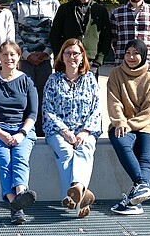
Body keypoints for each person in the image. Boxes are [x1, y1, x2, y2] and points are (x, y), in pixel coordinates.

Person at [0, 41, 38, 225]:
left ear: (18, 57)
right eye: (4, 55)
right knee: (5, 161)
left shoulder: (26, 81)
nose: (8, 58)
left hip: (22, 128)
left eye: (12, 54)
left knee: (20, 158)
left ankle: (20, 195)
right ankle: (17, 205)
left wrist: (21, 133)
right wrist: (1, 134)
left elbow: (33, 113)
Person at [42, 38, 102, 218]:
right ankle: (80, 194)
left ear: (83, 57)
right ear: (62, 56)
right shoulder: (53, 80)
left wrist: (84, 131)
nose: (71, 57)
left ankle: (72, 195)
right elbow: (47, 110)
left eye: (76, 53)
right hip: (58, 131)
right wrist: (65, 132)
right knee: (66, 152)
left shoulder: (90, 79)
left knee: (86, 148)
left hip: (85, 130)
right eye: (67, 53)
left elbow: (96, 109)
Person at [107, 39, 150, 215]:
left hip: (149, 124)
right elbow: (114, 102)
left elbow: (149, 111)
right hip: (122, 122)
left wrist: (130, 124)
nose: (131, 57)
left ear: (144, 55)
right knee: (120, 140)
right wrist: (121, 122)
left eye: (136, 53)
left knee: (145, 157)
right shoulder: (116, 73)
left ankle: (134, 200)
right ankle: (141, 188)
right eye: (128, 53)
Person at [10, 0, 60, 136]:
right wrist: (26, 54)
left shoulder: (53, 3)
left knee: (44, 97)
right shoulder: (17, 3)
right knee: (24, 98)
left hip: (45, 60)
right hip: (24, 60)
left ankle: (42, 132)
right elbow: (13, 32)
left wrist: (46, 52)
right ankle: (26, 132)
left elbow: (56, 32)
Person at [49, 0, 111, 77]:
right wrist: (61, 58)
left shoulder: (100, 11)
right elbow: (54, 35)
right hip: (67, 63)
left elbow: (106, 37)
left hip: (91, 65)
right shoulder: (64, 9)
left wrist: (98, 62)